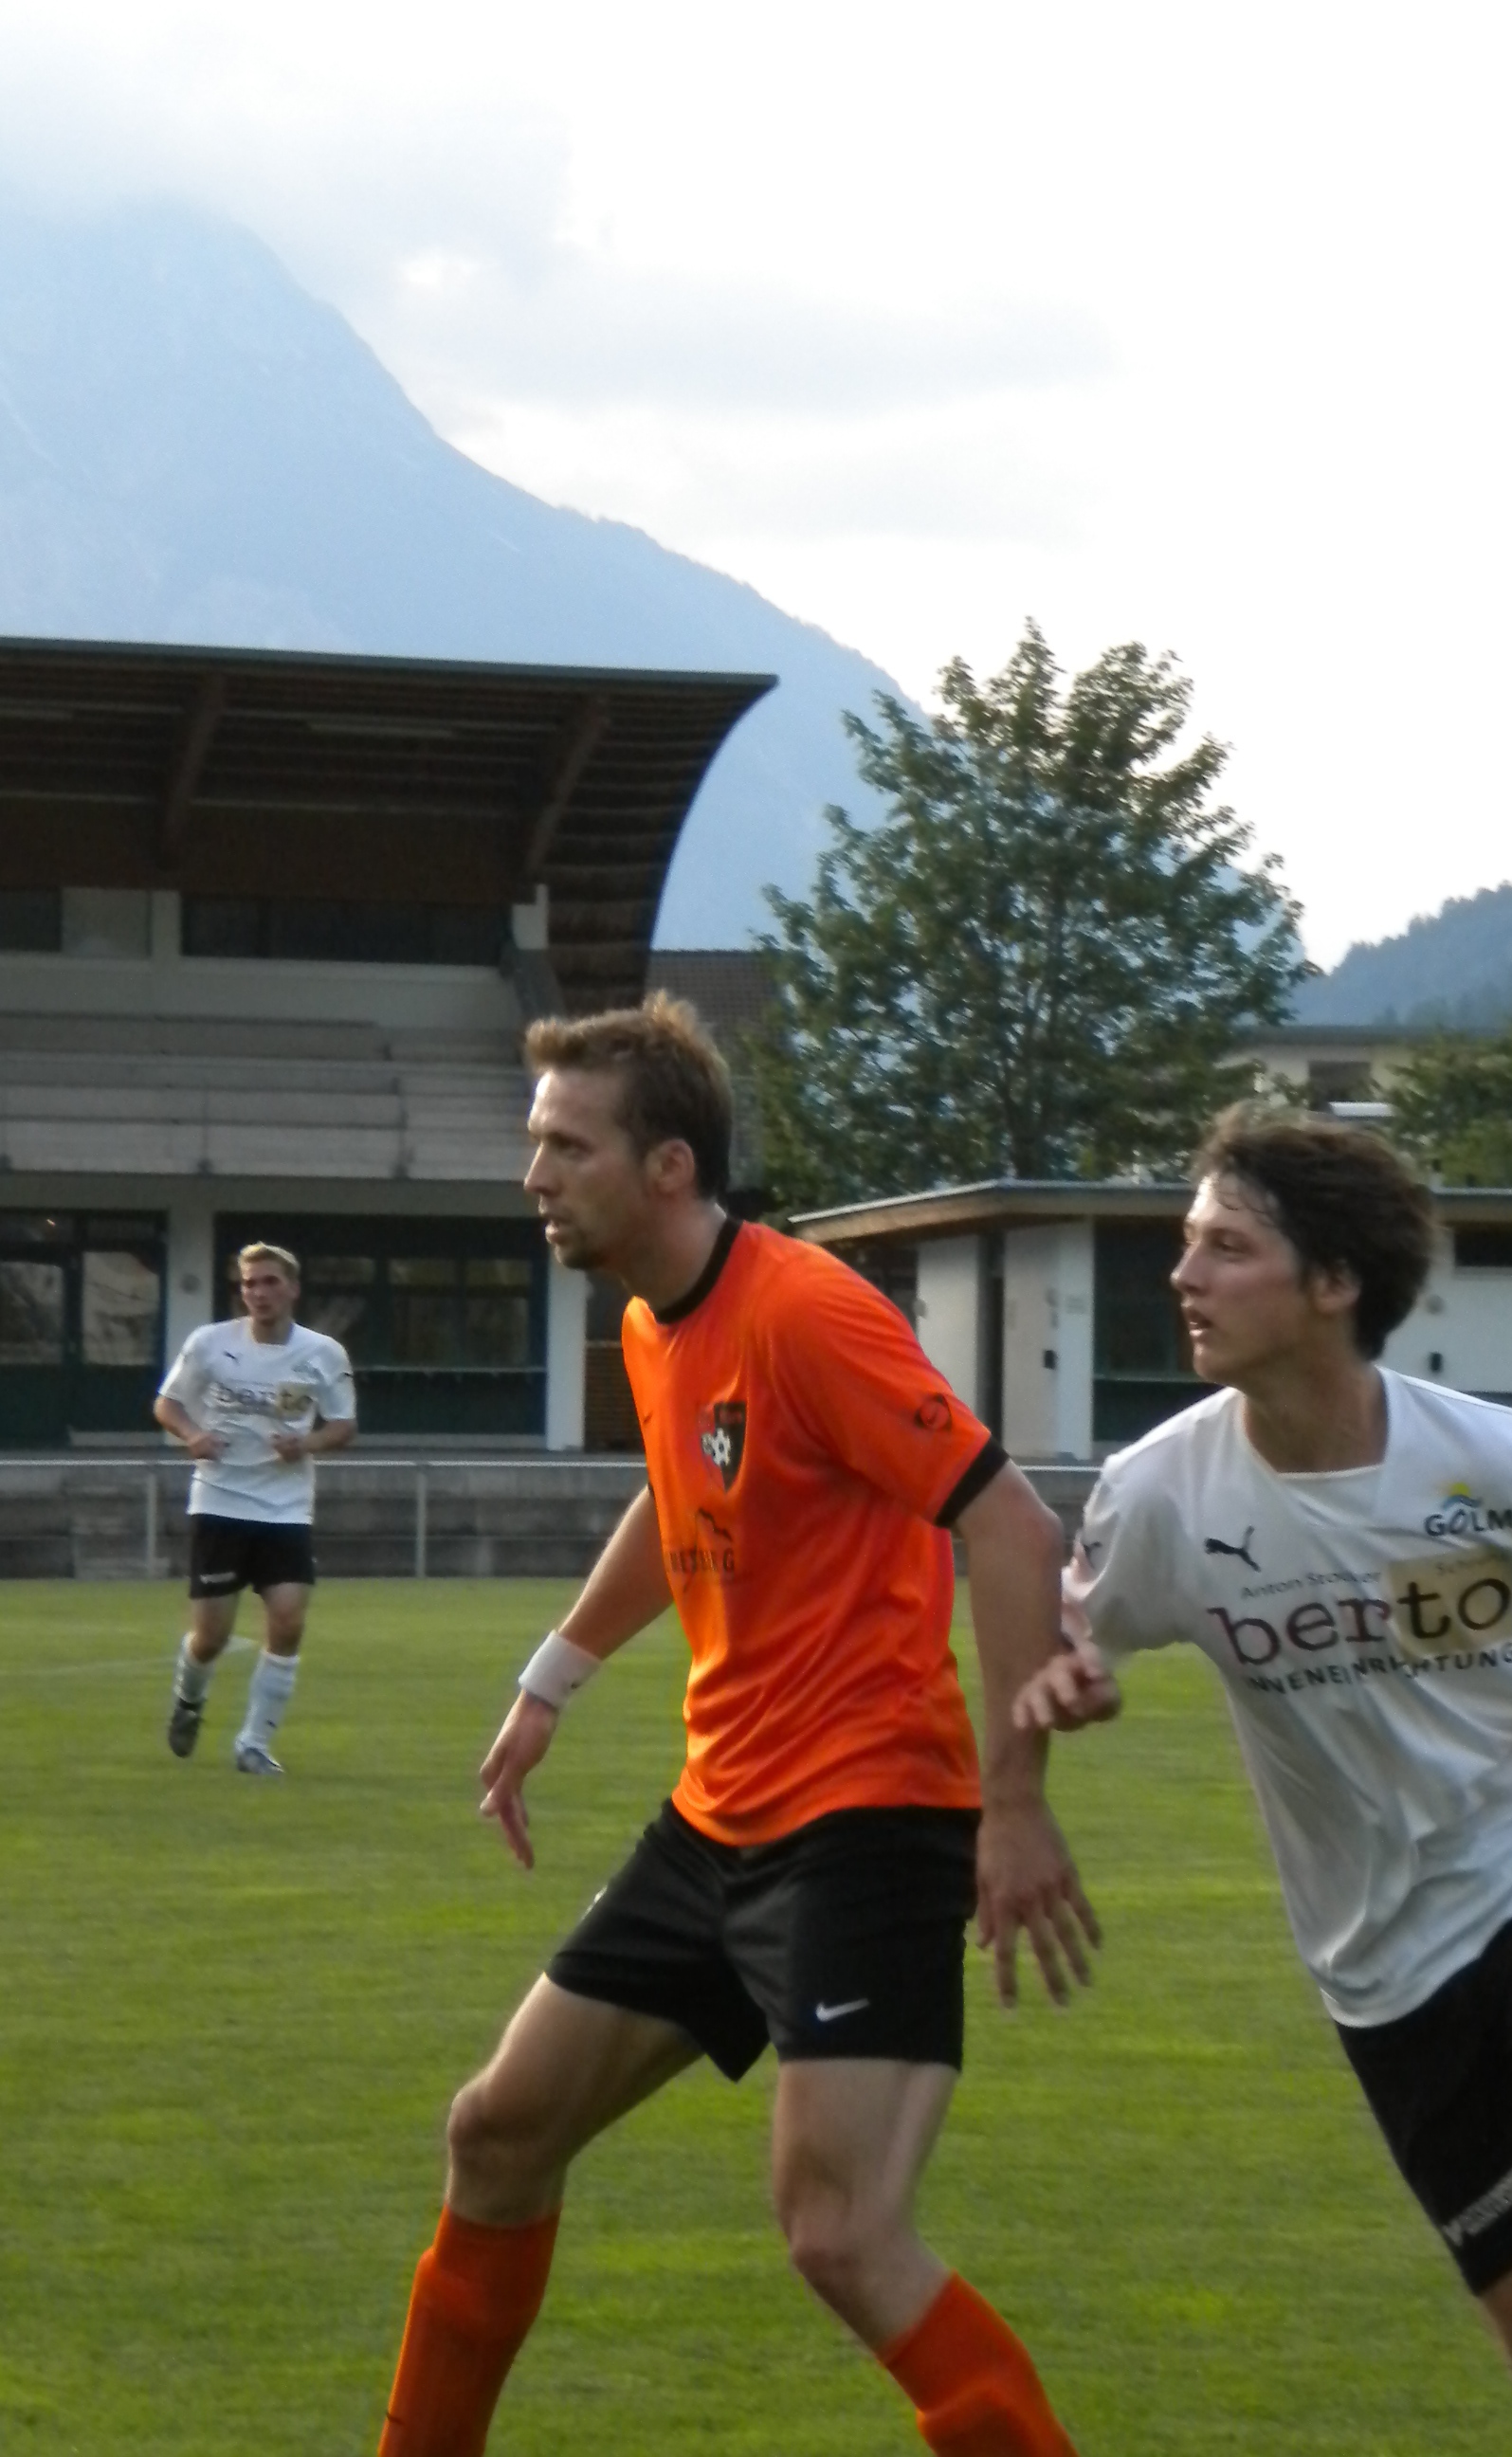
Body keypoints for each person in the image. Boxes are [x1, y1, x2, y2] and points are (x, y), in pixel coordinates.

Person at [1019, 1104, 1512, 2457]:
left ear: (1334, 1284)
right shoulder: (1160, 1492)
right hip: (1382, 1971)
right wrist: (1067, 1684)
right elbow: (1072, 1638)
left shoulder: (1491, 1463)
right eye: (1188, 1242)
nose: (1184, 1275)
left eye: (1226, 1247)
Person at [376, 994, 1097, 2457]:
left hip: (867, 1823)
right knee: (496, 2135)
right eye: (535, 1142)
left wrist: (1015, 1805)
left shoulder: (806, 1312)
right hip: (719, 1820)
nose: (532, 1175)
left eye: (566, 1146)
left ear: (668, 1169)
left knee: (842, 2232)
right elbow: (683, 1493)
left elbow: (1014, 1525)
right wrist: (554, 1675)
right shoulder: (656, 1322)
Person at [154, 1241, 356, 1775]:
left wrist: (305, 1444)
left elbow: (343, 1426)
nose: (259, 1293)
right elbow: (167, 1404)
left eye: (270, 1282)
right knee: (211, 1638)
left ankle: (254, 1744)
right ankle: (189, 1699)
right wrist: (193, 1435)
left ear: (293, 1289)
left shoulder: (322, 1353)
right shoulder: (210, 1343)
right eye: (249, 1284)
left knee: (288, 1622)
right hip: (220, 1501)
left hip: (285, 1509)